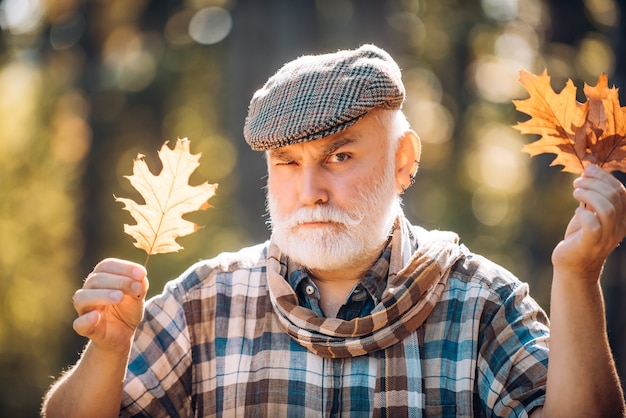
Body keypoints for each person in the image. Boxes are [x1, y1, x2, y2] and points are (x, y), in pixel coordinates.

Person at [42, 44, 626, 417]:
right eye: (287, 163)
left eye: (340, 157)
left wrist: (577, 277)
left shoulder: (481, 304)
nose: (310, 190)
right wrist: (108, 351)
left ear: (403, 160)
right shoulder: (202, 303)